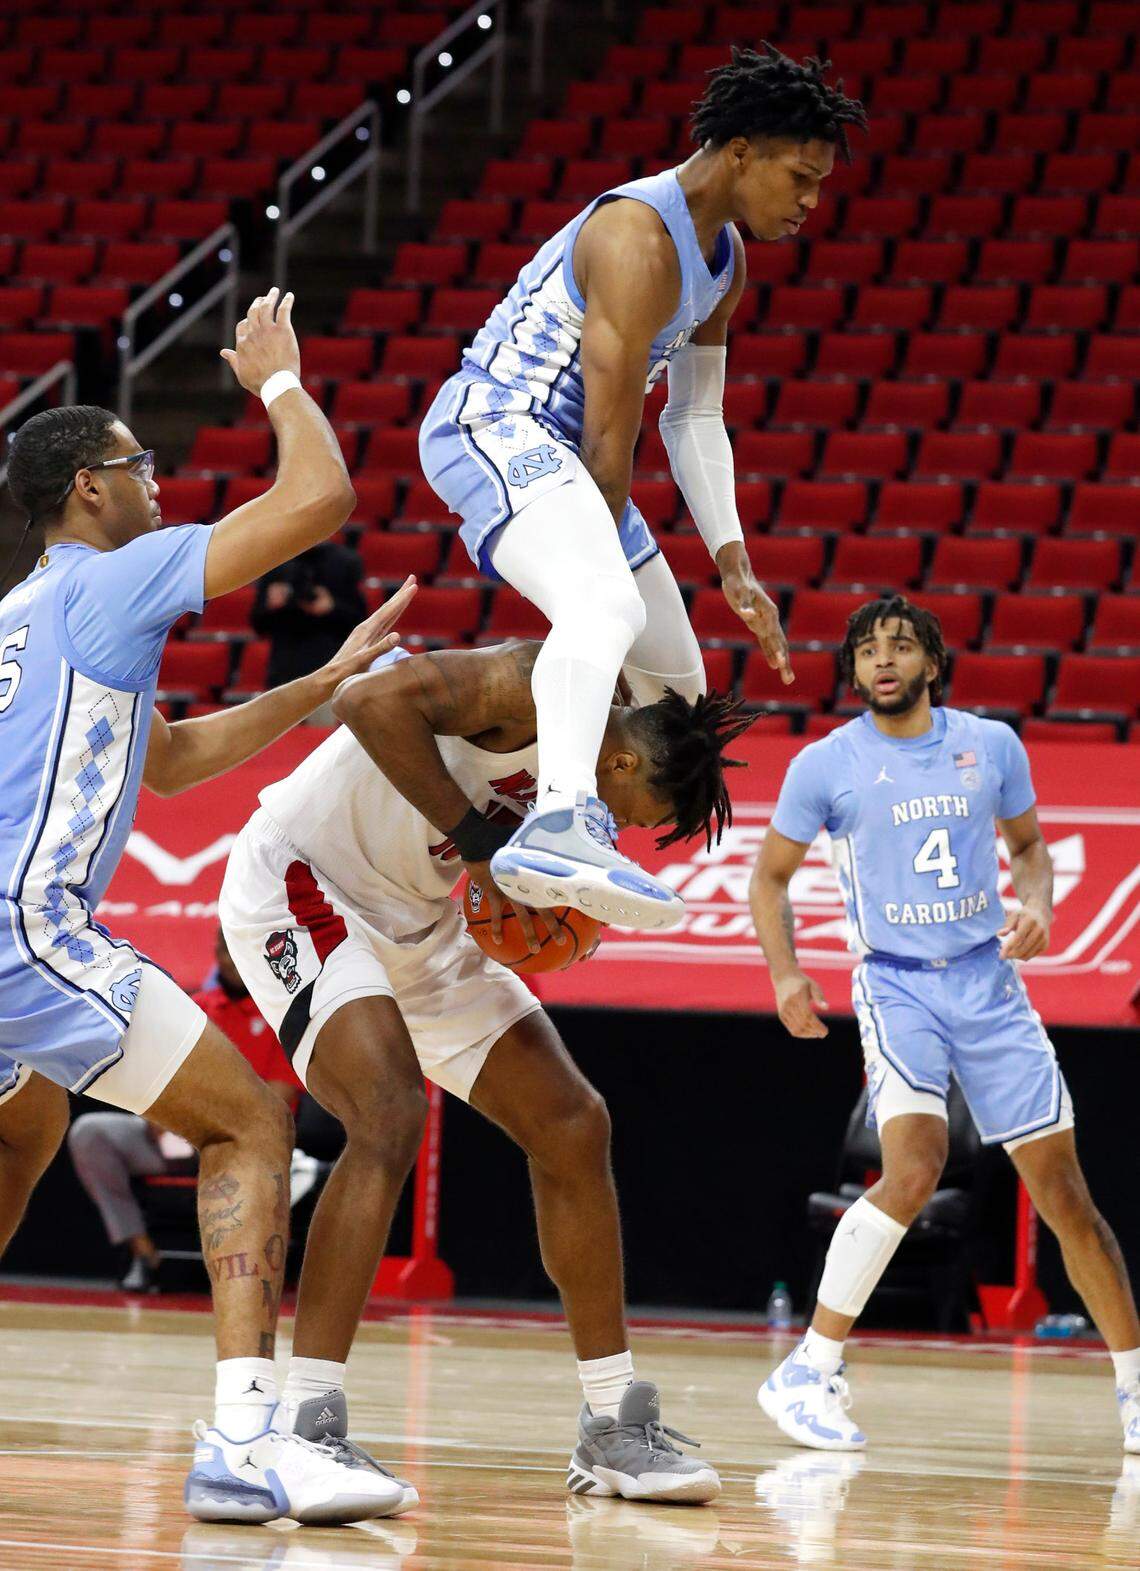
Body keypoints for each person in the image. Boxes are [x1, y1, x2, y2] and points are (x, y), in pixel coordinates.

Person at [0, 286, 422, 1525]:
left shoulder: (22, 615)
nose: (159, 487)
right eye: (140, 469)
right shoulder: (106, 581)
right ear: (89, 492)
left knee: (25, 1130)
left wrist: (323, 680)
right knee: (250, 1121)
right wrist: (281, 385)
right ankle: (246, 1439)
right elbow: (319, 504)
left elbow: (168, 759)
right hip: (25, 929)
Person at [219, 639, 754, 1504]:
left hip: (426, 924)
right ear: (616, 756)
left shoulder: (596, 771)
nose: (620, 827)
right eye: (632, 806)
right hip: (310, 884)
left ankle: (612, 1422)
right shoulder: (534, 681)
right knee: (389, 1115)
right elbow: (368, 702)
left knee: (575, 1124)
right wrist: (476, 842)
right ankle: (301, 1425)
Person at [419, 45, 865, 931]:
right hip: (498, 425)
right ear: (739, 150)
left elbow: (693, 418)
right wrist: (595, 574)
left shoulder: (725, 259)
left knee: (678, 689)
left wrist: (732, 562)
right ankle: (558, 815)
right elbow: (608, 432)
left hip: (572, 456)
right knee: (603, 608)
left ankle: (571, 813)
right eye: (802, 176)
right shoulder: (635, 239)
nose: (812, 200)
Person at [749, 595, 1140, 1455]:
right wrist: (786, 973)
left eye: (900, 644)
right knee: (914, 1163)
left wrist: (1036, 905)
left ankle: (1135, 1388)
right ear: (852, 671)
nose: (882, 659)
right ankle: (809, 1367)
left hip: (990, 985)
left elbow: (1031, 847)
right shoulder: (825, 764)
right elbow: (769, 878)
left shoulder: (990, 744)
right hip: (897, 987)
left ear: (932, 661)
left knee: (1067, 1196)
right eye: (866, 649)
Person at [67, 929, 302, 1293]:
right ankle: (142, 1254)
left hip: (243, 1144)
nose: (228, 960)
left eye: (236, 951)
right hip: (182, 1138)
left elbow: (277, 1102)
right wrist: (163, 1116)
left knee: (270, 1142)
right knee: (91, 1133)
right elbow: (157, 1076)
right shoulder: (196, 1008)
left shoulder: (278, 1018)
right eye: (222, 949)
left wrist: (215, 1122)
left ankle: (254, 1264)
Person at [252, 538, 367, 691]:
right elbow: (258, 625)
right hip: (284, 670)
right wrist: (270, 606)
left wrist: (333, 608)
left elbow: (361, 624)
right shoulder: (275, 563)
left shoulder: (343, 561)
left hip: (331, 667)